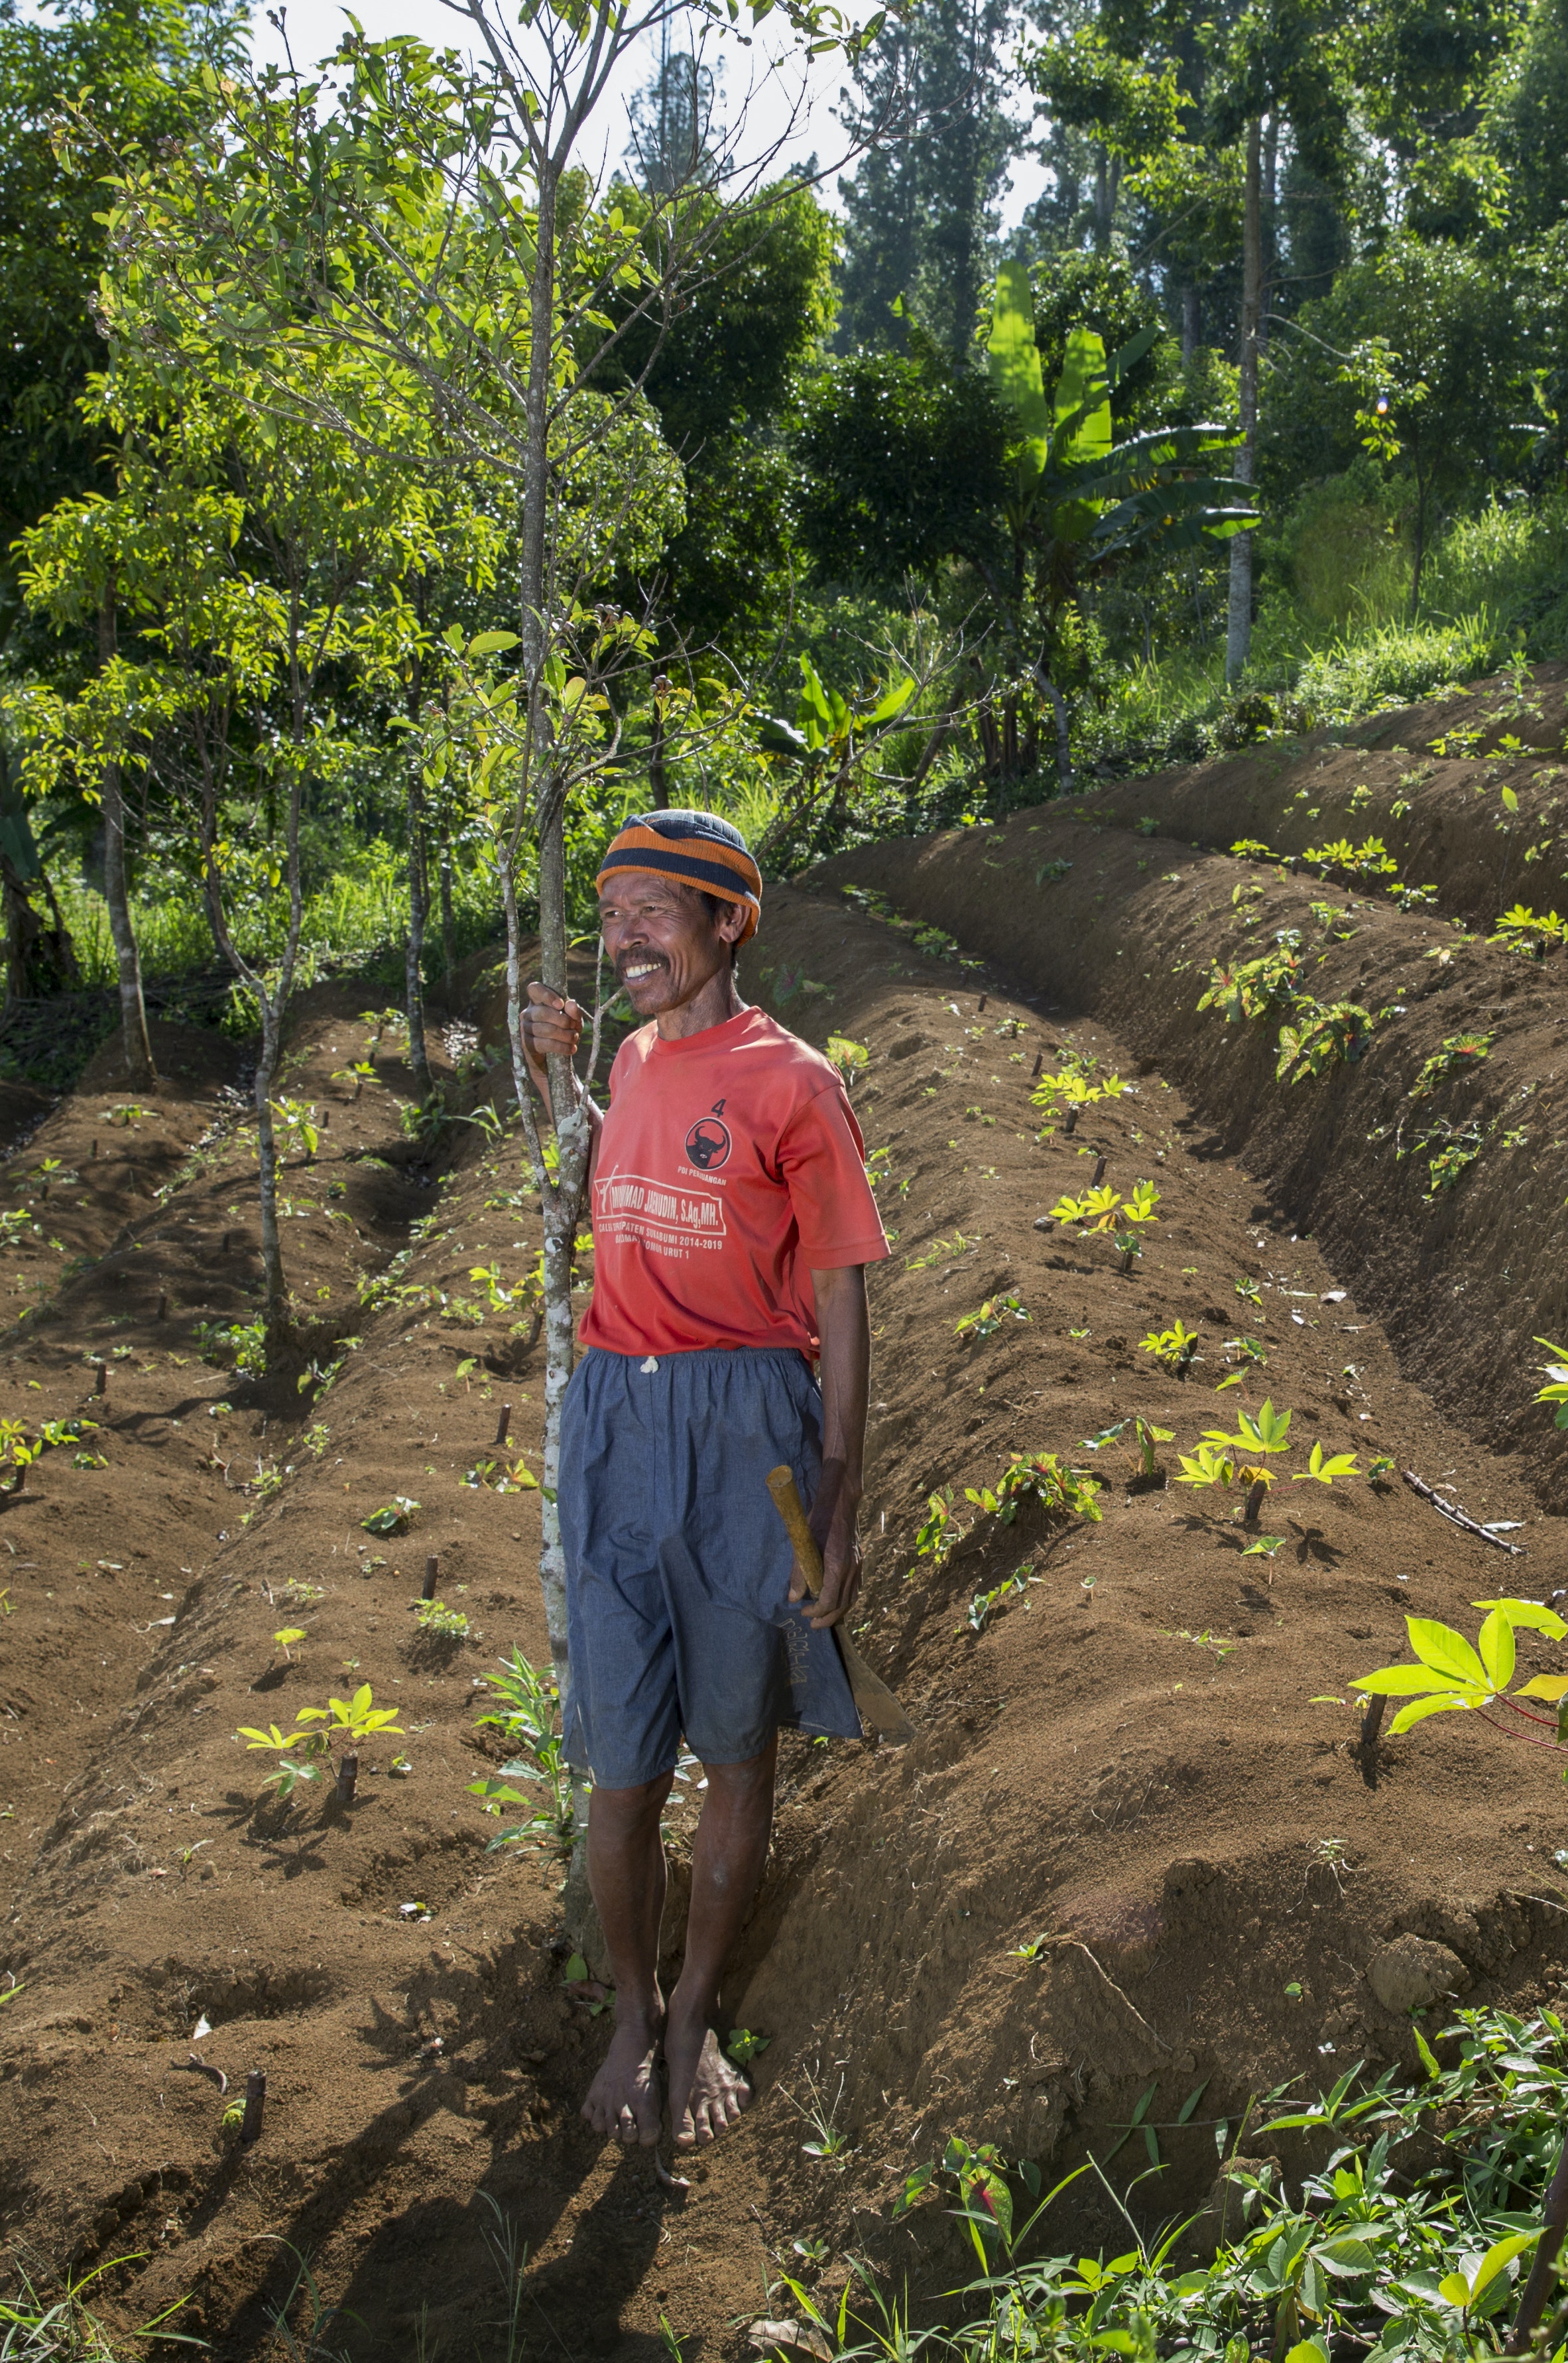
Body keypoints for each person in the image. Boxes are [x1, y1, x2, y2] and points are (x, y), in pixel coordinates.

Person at [520, 808, 885, 2156]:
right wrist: (566, 1086)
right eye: (611, 908)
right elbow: (636, 1160)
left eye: (652, 907)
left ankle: (694, 2018)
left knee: (735, 1745)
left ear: (728, 921)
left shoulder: (797, 1085)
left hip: (749, 1428)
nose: (623, 932)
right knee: (623, 1765)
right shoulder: (631, 1056)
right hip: (620, 1419)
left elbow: (841, 1298)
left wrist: (837, 1495)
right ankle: (631, 2002)